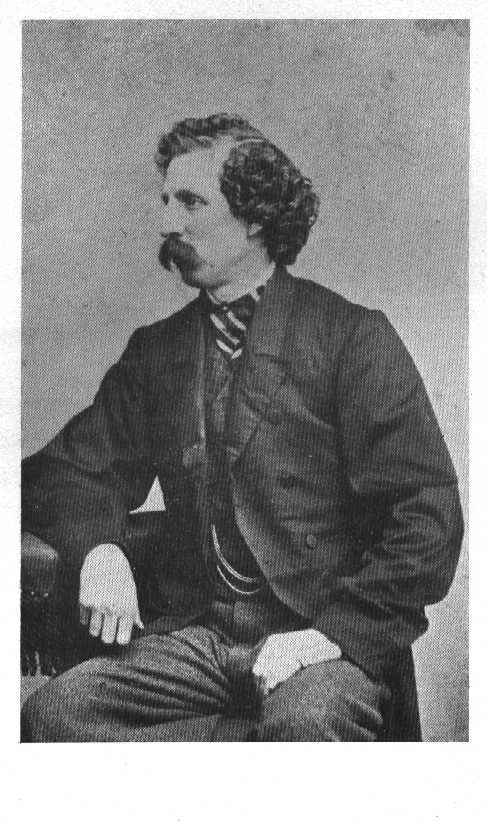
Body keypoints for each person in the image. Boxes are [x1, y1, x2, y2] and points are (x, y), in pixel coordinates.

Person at [21, 113, 463, 742]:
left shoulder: (351, 338)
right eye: (166, 201)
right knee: (57, 714)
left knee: (307, 721)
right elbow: (64, 472)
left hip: (318, 634)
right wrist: (99, 548)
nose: (167, 223)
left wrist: (330, 636)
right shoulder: (158, 351)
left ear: (255, 217)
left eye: (190, 202)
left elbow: (425, 514)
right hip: (199, 633)